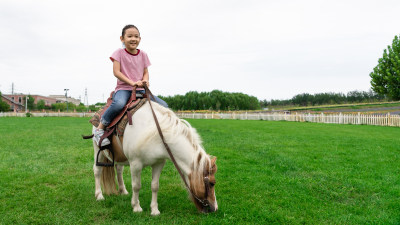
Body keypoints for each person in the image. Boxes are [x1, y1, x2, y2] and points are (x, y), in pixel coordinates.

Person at [94, 24, 168, 147]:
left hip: (140, 89)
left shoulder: (143, 54)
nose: (133, 39)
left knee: (164, 106)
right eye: (129, 36)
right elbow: (116, 72)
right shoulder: (118, 53)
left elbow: (145, 72)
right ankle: (100, 129)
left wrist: (145, 81)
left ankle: (162, 134)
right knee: (118, 104)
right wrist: (132, 82)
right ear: (122, 39)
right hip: (124, 89)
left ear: (140, 39)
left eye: (136, 36)